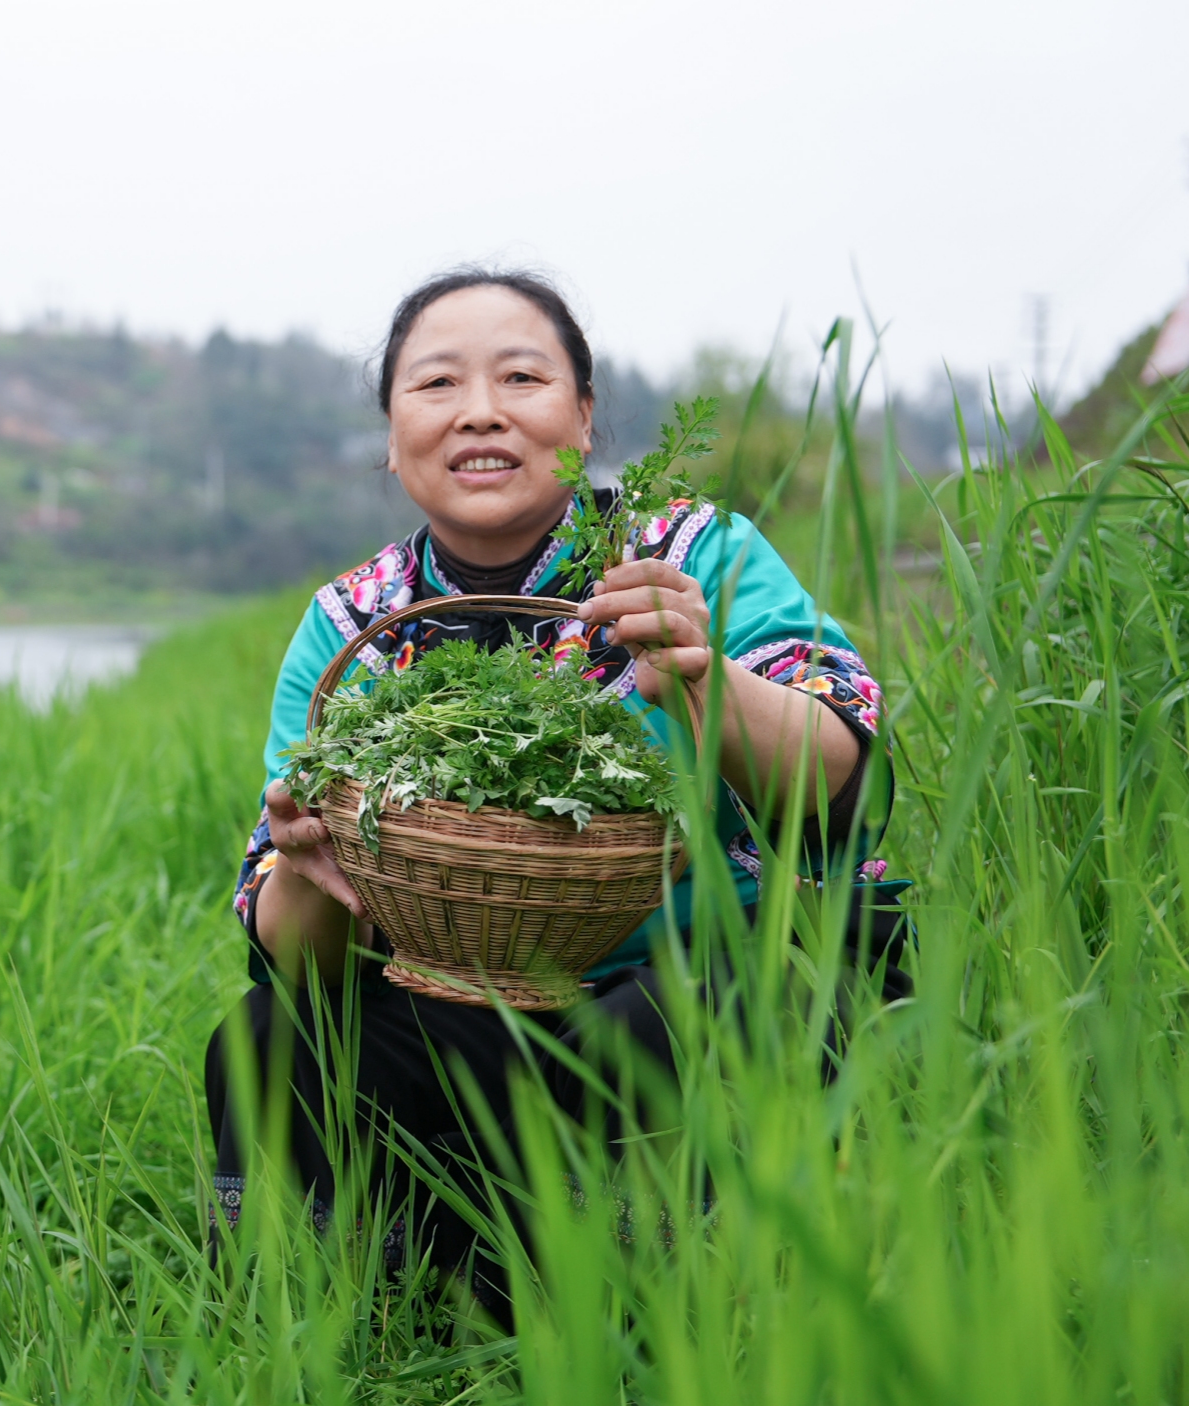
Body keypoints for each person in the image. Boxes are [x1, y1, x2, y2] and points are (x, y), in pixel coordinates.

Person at [203, 269, 901, 1314]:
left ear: (581, 415)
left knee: (669, 1021)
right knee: (265, 1040)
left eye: (521, 376)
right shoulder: (351, 622)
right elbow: (294, 952)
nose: (479, 408)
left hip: (713, 978)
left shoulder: (690, 559)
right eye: (435, 383)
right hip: (469, 1004)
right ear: (393, 440)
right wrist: (308, 863)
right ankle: (350, 1311)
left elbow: (840, 773)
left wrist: (705, 683)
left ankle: (661, 1297)